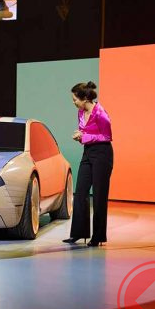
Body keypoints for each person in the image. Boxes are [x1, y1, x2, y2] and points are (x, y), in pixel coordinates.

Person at [63, 81, 114, 247]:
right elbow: (87, 133)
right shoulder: (80, 112)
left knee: (99, 196)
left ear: (84, 98)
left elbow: (107, 137)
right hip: (88, 152)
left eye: (75, 99)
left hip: (102, 154)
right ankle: (78, 233)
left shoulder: (101, 113)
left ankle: (97, 237)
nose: (73, 102)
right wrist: (80, 136)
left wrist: (84, 137)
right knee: (80, 192)